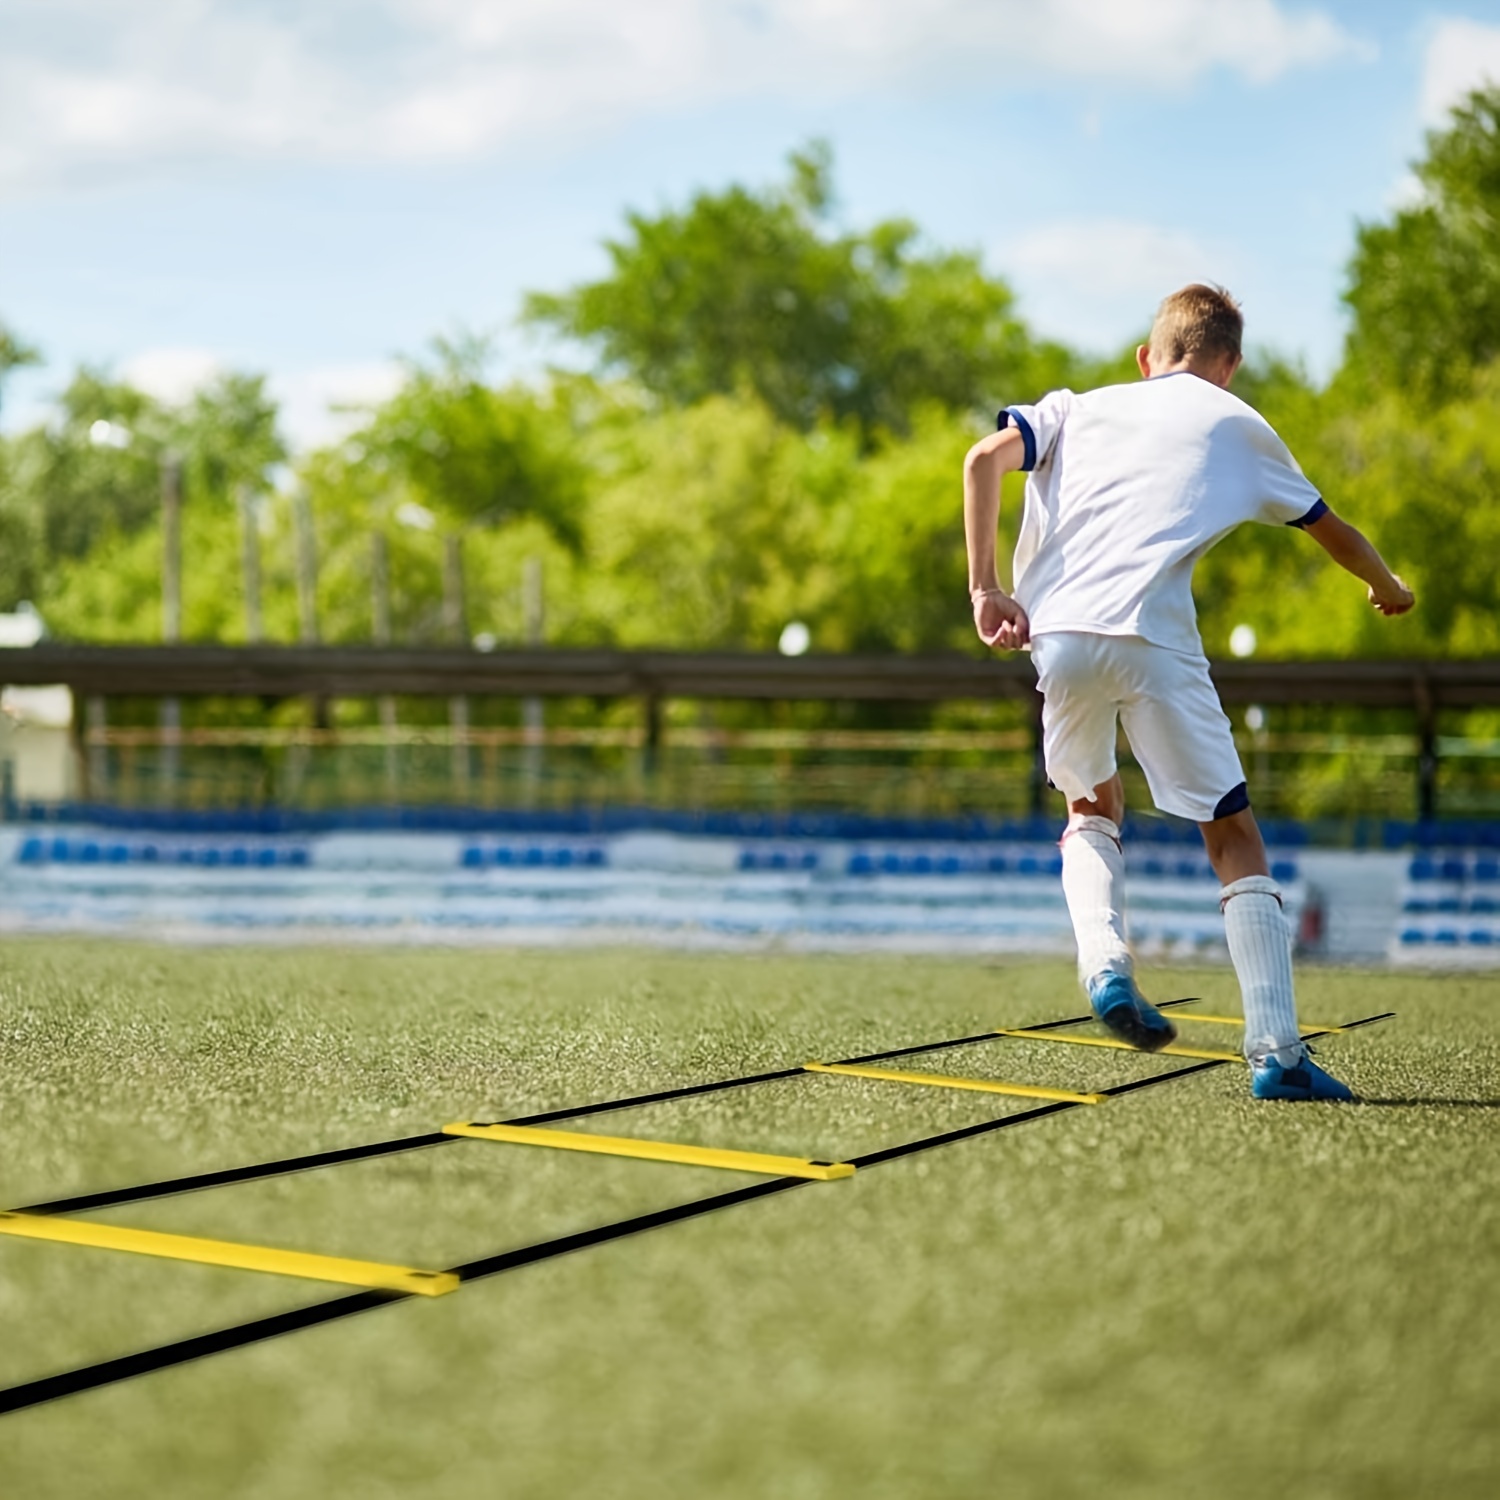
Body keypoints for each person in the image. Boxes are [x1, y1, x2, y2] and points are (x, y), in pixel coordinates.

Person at [962, 284, 1414, 1101]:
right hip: (1155, 640)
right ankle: (1277, 1056)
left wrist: (985, 591)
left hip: (1057, 639)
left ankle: (1103, 963)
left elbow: (980, 459)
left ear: (1146, 359)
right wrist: (1386, 586)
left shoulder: (1077, 407)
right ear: (1229, 368)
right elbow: (1331, 529)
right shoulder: (1238, 424)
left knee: (1090, 811)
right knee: (1231, 837)